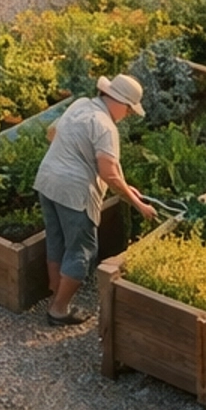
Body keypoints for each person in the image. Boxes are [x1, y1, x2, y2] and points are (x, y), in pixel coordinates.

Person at [33, 73, 156, 325]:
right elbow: (108, 174)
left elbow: (52, 134)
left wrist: (125, 187)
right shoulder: (106, 127)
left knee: (56, 240)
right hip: (74, 194)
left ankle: (56, 294)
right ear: (120, 102)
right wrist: (140, 205)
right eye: (130, 110)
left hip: (47, 181)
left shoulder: (81, 105)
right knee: (83, 250)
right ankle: (59, 310)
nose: (128, 115)